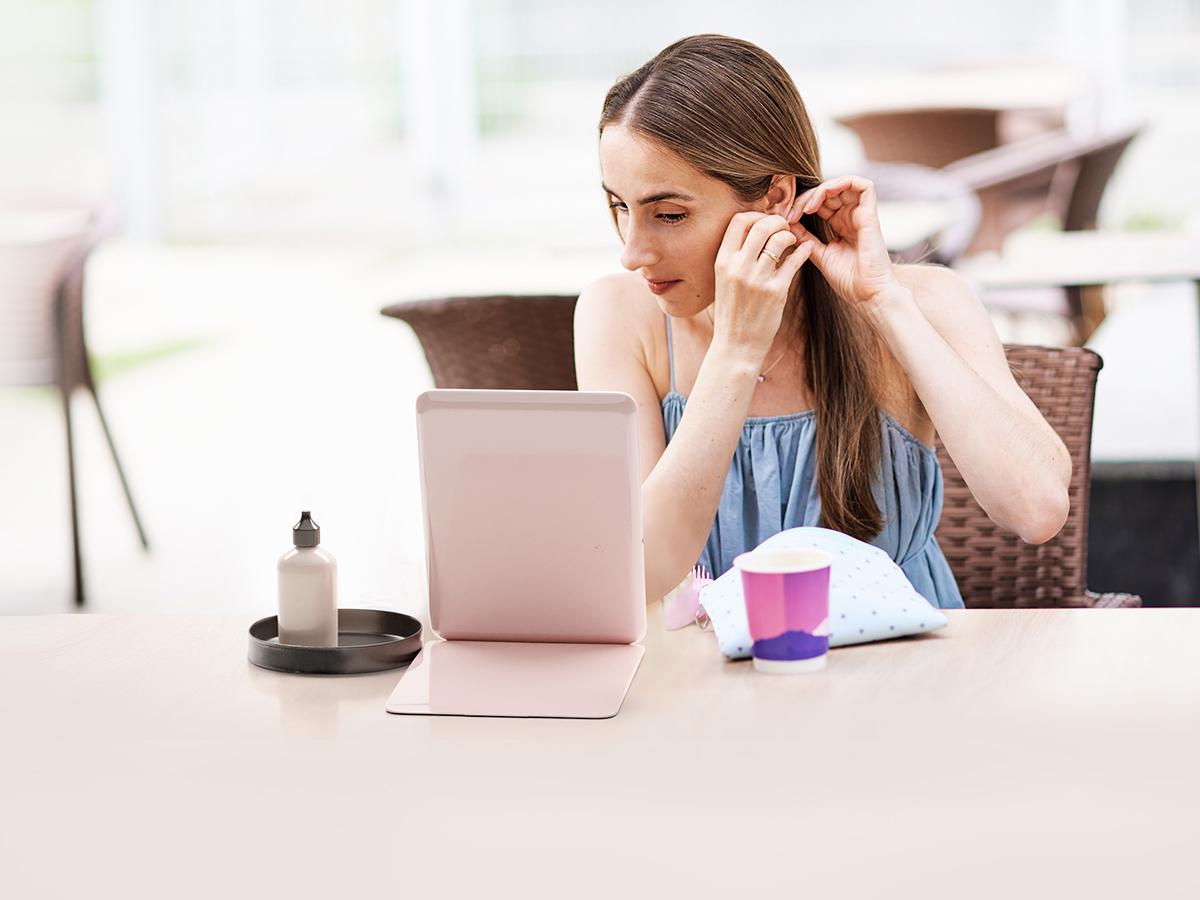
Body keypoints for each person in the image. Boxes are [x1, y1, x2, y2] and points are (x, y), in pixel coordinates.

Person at [572, 34, 1072, 608]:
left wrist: (884, 302)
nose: (632, 253)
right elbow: (640, 572)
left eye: (668, 214)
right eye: (619, 207)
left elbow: (1037, 511)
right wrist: (736, 351)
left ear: (776, 196)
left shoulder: (925, 300)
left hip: (903, 675)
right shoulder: (619, 314)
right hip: (712, 687)